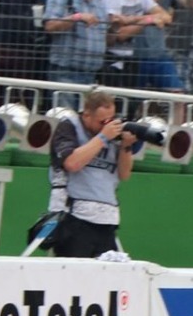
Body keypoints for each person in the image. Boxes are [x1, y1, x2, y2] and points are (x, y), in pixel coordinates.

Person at [47, 90, 134, 259]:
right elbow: (72, 163)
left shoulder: (114, 133)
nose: (107, 124)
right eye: (102, 121)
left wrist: (127, 145)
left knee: (106, 274)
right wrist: (103, 137)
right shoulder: (69, 126)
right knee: (74, 272)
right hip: (74, 216)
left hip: (107, 218)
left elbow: (124, 174)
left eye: (110, 119)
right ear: (86, 115)